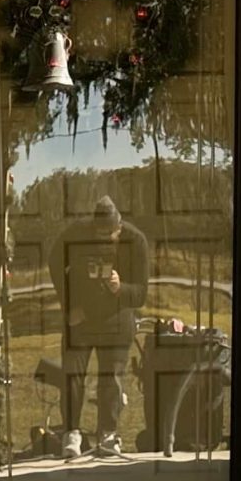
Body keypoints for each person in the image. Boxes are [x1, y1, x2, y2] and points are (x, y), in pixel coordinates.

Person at [43, 195, 151, 458]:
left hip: (116, 320)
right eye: (98, 233)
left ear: (119, 226)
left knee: (111, 379)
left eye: (109, 234)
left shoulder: (136, 241)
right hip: (79, 318)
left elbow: (141, 293)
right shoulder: (76, 233)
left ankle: (108, 433)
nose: (103, 238)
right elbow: (54, 263)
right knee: (72, 375)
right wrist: (69, 305)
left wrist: (120, 288)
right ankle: (72, 432)